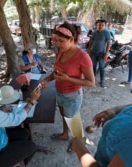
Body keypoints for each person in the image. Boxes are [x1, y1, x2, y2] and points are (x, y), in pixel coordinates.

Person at [40, 22, 95, 150]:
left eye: (61, 41)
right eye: (56, 40)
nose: (57, 44)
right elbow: (57, 72)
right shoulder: (61, 51)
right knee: (65, 116)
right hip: (59, 92)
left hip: (72, 96)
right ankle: (65, 134)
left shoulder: (83, 57)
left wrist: (68, 79)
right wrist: (47, 80)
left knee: (74, 121)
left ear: (71, 39)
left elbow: (91, 82)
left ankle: (78, 143)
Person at [88, 19, 111, 88]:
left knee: (101, 67)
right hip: (94, 52)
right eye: (99, 24)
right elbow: (91, 42)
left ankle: (102, 81)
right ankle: (93, 79)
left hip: (102, 53)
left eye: (102, 25)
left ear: (105, 25)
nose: (100, 26)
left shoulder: (106, 32)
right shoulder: (95, 32)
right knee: (93, 66)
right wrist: (89, 50)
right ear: (97, 25)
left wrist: (106, 53)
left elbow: (108, 43)